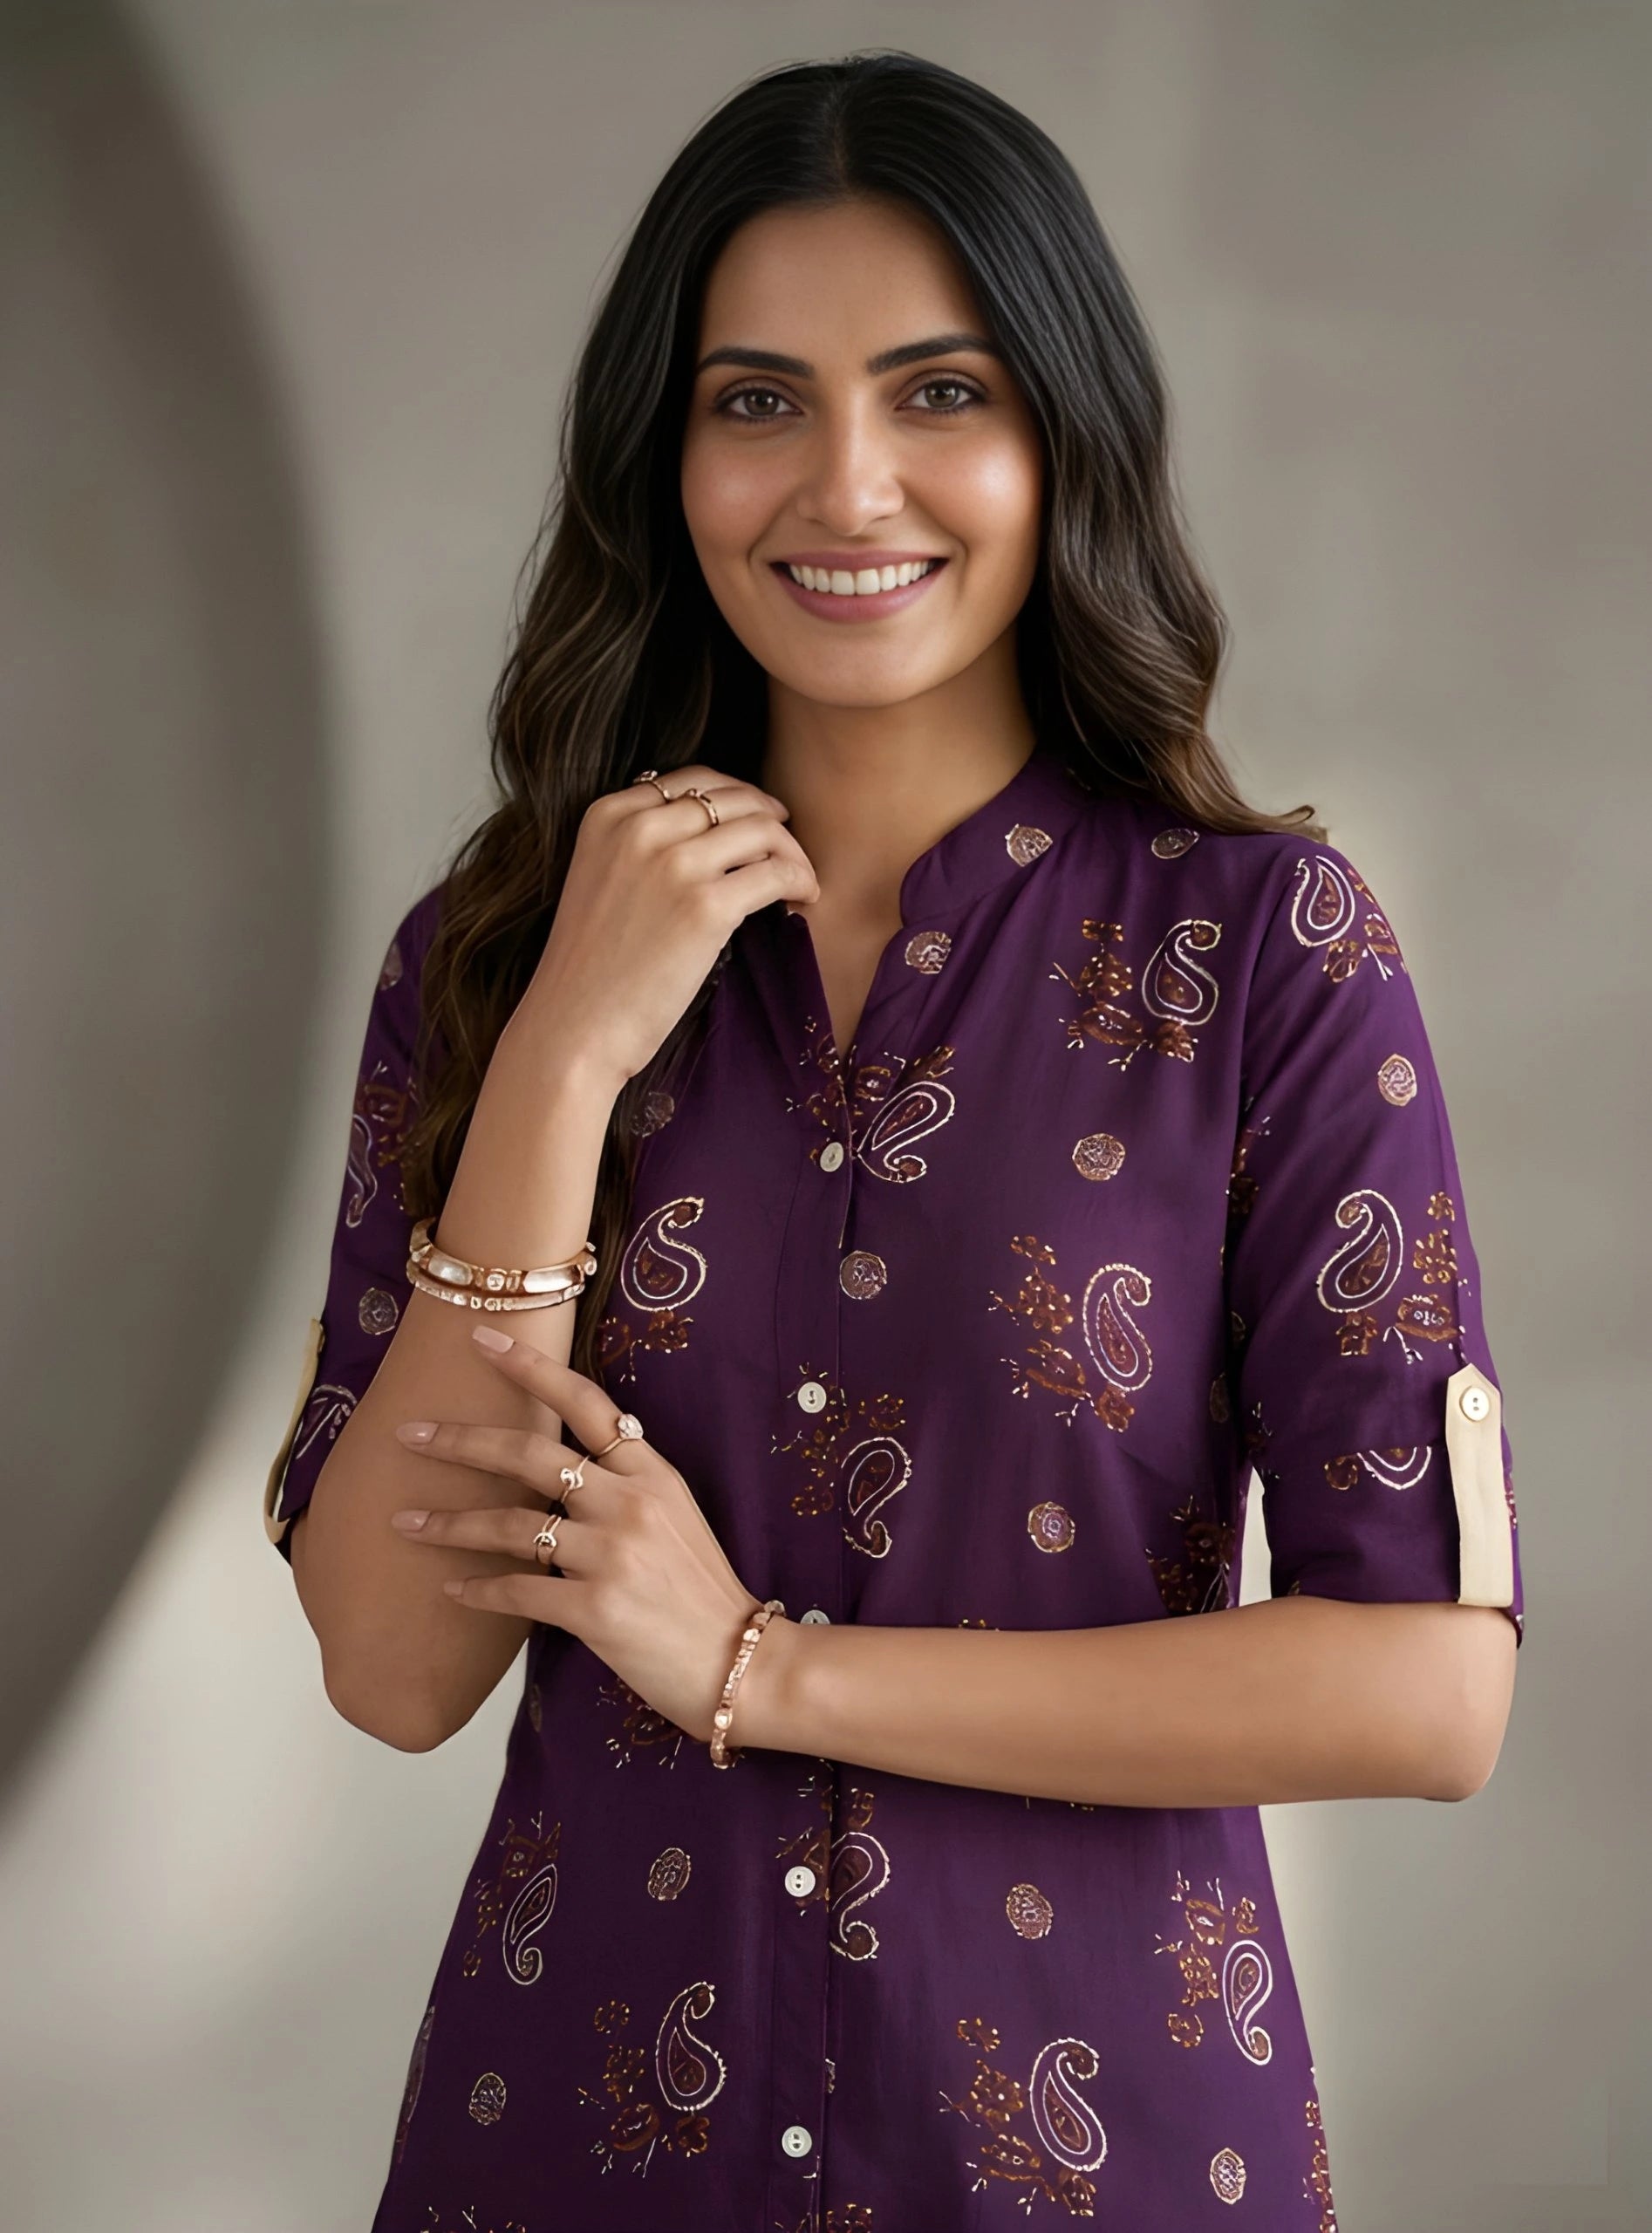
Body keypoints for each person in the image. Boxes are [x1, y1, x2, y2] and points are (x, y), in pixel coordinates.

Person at [263, 50, 1523, 2233]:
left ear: (1061, 438)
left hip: (1102, 2160)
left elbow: (1425, 1678)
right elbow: (392, 1664)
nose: (845, 485)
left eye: (938, 393)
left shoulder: (1261, 956)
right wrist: (562, 1049)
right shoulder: (495, 954)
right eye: (756, 401)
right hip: (572, 2157)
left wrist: (762, 1664)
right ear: (666, 458)